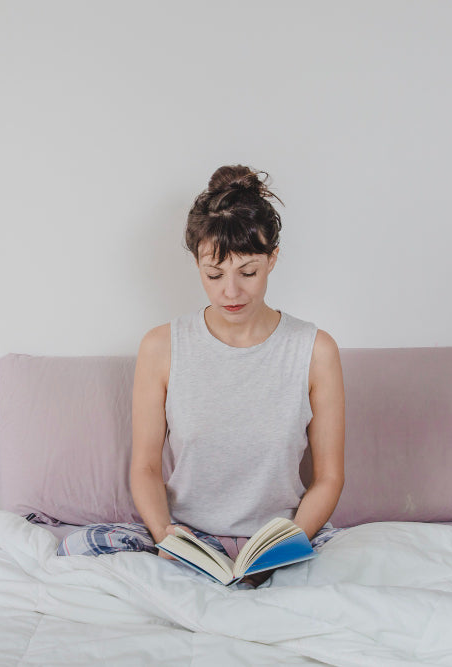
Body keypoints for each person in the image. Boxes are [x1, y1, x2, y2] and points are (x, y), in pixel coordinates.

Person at [58, 165, 345, 583]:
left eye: (248, 272)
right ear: (197, 264)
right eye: (214, 274)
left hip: (280, 540)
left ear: (273, 259)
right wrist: (165, 536)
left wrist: (289, 542)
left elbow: (330, 477)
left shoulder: (315, 350)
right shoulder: (161, 347)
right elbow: (145, 468)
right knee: (73, 554)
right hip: (187, 539)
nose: (231, 291)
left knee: (365, 573)